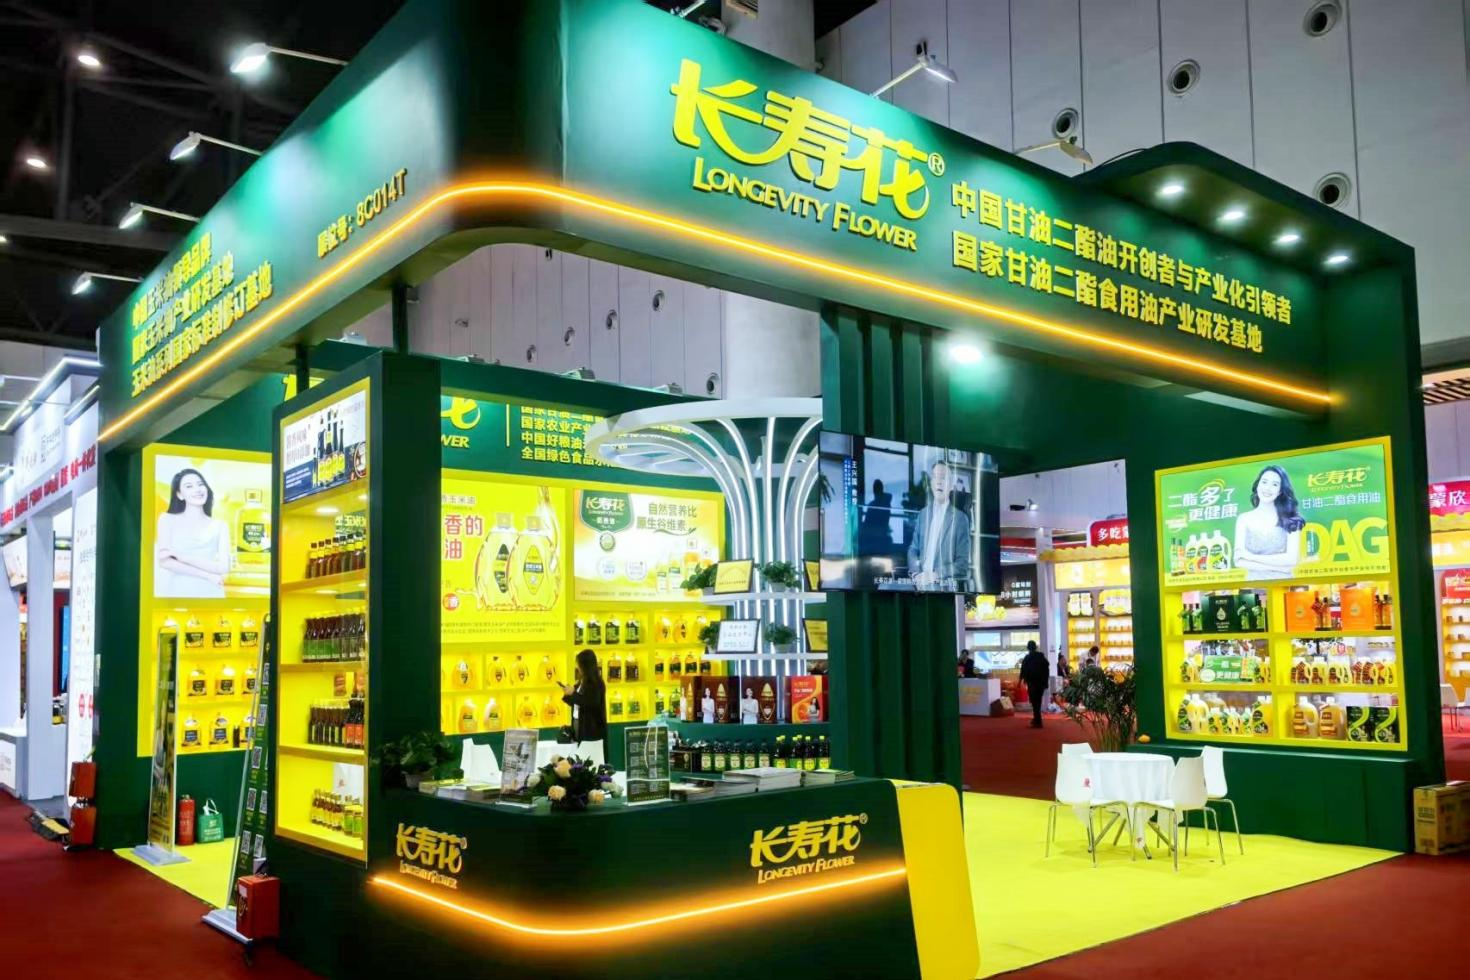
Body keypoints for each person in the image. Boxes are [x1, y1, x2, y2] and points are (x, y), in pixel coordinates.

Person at [155, 468, 230, 598]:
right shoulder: (167, 519)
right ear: (179, 494)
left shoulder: (220, 525)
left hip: (212, 591)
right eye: (189, 486)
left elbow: (224, 567)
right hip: (179, 591)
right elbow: (165, 562)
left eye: (200, 484)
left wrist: (182, 557)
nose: (198, 490)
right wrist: (207, 575)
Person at [907, 459, 973, 591]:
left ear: (951, 485)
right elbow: (913, 549)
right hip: (917, 582)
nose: (938, 482)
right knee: (885, 586)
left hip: (940, 584)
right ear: (931, 483)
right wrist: (916, 574)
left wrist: (934, 575)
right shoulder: (923, 514)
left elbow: (962, 564)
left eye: (943, 478)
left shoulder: (960, 519)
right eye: (935, 477)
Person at [1233, 464, 1305, 580]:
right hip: (1252, 586)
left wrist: (1250, 556)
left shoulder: (1291, 519)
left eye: (1275, 484)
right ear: (1258, 485)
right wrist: (1280, 568)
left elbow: (1292, 559)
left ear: (1280, 491)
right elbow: (1239, 560)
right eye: (1264, 482)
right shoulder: (1244, 519)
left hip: (1283, 585)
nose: (1267, 488)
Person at [558, 649, 608, 750]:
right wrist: (568, 694)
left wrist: (573, 693)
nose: (577, 667)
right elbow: (578, 702)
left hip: (592, 732)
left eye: (579, 664)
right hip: (579, 729)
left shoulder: (596, 683)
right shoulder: (581, 682)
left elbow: (590, 703)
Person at [1019, 640, 1050, 728]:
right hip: (1041, 683)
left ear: (1028, 648)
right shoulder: (1042, 657)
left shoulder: (1027, 658)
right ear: (1036, 647)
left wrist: (1020, 681)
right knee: (1038, 702)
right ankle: (1037, 720)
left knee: (1034, 702)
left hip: (1032, 683)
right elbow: (1047, 670)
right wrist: (1045, 683)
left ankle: (1037, 721)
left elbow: (1023, 670)